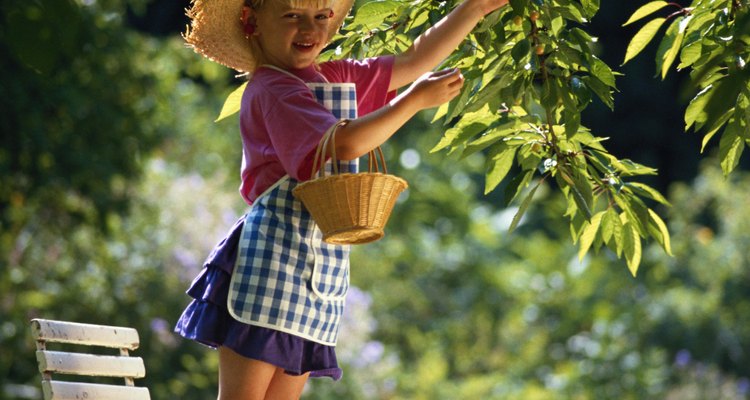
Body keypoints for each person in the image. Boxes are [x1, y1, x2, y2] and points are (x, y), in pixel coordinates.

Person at [175, 0, 509, 398]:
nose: (309, 29)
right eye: (291, 16)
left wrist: (472, 10)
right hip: (269, 263)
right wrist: (414, 101)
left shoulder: (333, 79)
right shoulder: (273, 87)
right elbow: (344, 143)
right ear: (252, 21)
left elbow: (413, 60)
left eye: (320, 17)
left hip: (315, 271)